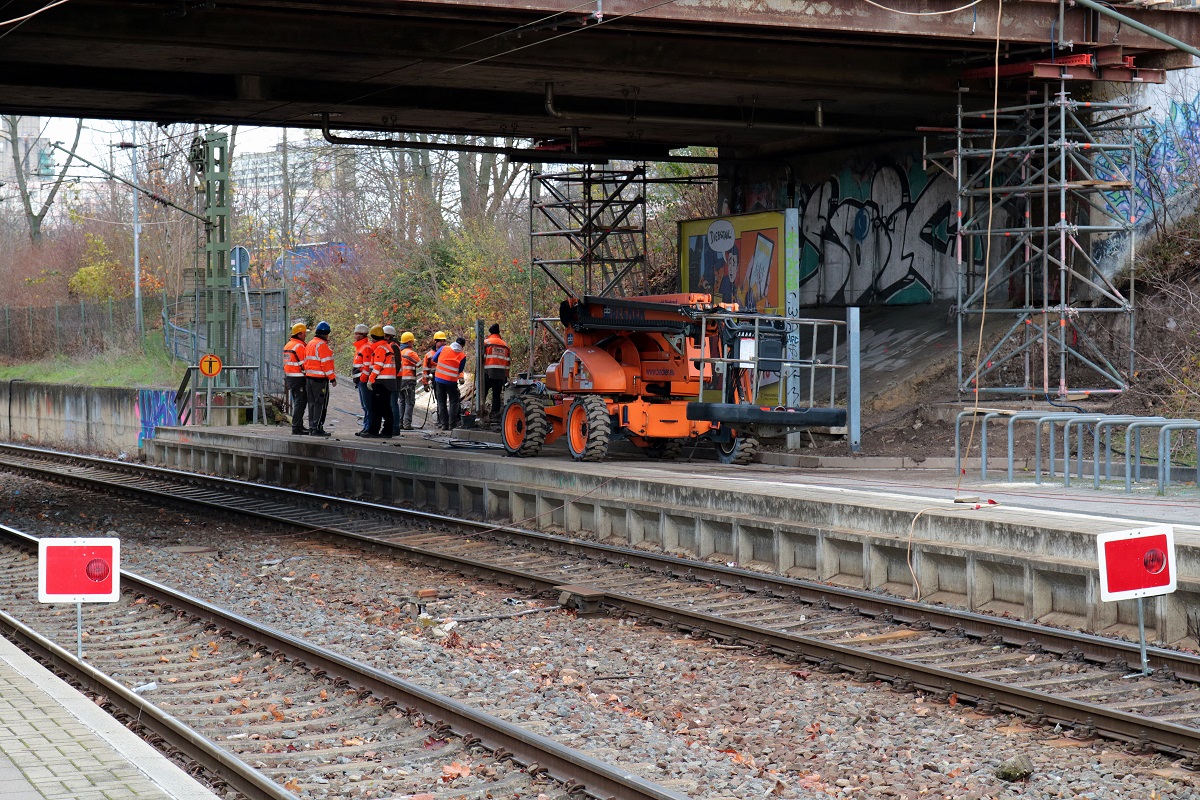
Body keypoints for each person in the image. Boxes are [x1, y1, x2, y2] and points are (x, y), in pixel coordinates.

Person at [303, 320, 336, 436]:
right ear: (326, 334)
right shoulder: (322, 346)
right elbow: (326, 364)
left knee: (311, 403)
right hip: (320, 379)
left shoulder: (310, 344)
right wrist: (332, 378)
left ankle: (312, 427)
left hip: (309, 378)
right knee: (320, 404)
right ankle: (317, 428)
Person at [364, 325, 395, 438]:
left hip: (382, 382)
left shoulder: (380, 348)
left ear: (374, 337)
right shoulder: (386, 347)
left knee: (377, 408)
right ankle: (387, 431)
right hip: (388, 382)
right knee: (385, 407)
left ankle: (374, 431)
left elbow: (378, 366)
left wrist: (370, 380)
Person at [434, 335, 467, 431]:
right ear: (462, 346)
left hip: (439, 379)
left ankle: (444, 425)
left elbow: (434, 359)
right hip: (451, 381)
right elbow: (460, 369)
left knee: (441, 402)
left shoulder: (444, 348)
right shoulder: (462, 356)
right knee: (454, 402)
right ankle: (452, 424)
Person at [481, 323, 510, 425]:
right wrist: (506, 376)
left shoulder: (486, 342)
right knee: (496, 394)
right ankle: (495, 414)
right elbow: (507, 362)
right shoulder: (506, 345)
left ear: (490, 332)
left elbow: (481, 358)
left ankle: (480, 413)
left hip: (487, 373)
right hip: (500, 374)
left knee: (482, 393)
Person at [283, 322, 309, 435]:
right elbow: (303, 363)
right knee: (300, 403)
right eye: (304, 333)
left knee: (298, 401)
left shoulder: (288, 345)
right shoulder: (300, 346)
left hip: (291, 377)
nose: (305, 335)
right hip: (299, 378)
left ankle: (298, 425)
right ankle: (296, 427)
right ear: (299, 334)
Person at [422, 331, 448, 429]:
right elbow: (425, 369)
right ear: (435, 342)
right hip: (436, 380)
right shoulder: (429, 355)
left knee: (449, 400)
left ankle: (447, 420)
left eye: (444, 341)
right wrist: (425, 383)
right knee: (440, 400)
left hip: (447, 379)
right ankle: (441, 421)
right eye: (440, 341)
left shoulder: (448, 352)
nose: (443, 343)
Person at [351, 323, 373, 435]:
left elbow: (367, 367)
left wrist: (363, 380)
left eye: (356, 334)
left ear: (362, 335)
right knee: (365, 406)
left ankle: (368, 427)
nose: (354, 336)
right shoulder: (360, 347)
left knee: (367, 406)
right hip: (360, 381)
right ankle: (366, 427)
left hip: (363, 381)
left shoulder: (366, 348)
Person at [396, 331, 420, 431]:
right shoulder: (410, 353)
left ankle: (400, 422)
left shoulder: (399, 352)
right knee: (409, 402)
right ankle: (407, 423)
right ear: (409, 342)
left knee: (401, 402)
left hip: (399, 380)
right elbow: (418, 363)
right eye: (412, 342)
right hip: (408, 381)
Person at [383, 325, 402, 435]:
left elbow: (397, 364)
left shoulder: (393, 346)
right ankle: (393, 427)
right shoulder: (391, 345)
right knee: (391, 403)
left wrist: (391, 377)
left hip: (394, 379)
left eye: (385, 335)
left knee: (393, 404)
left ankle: (395, 428)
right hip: (393, 378)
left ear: (389, 336)